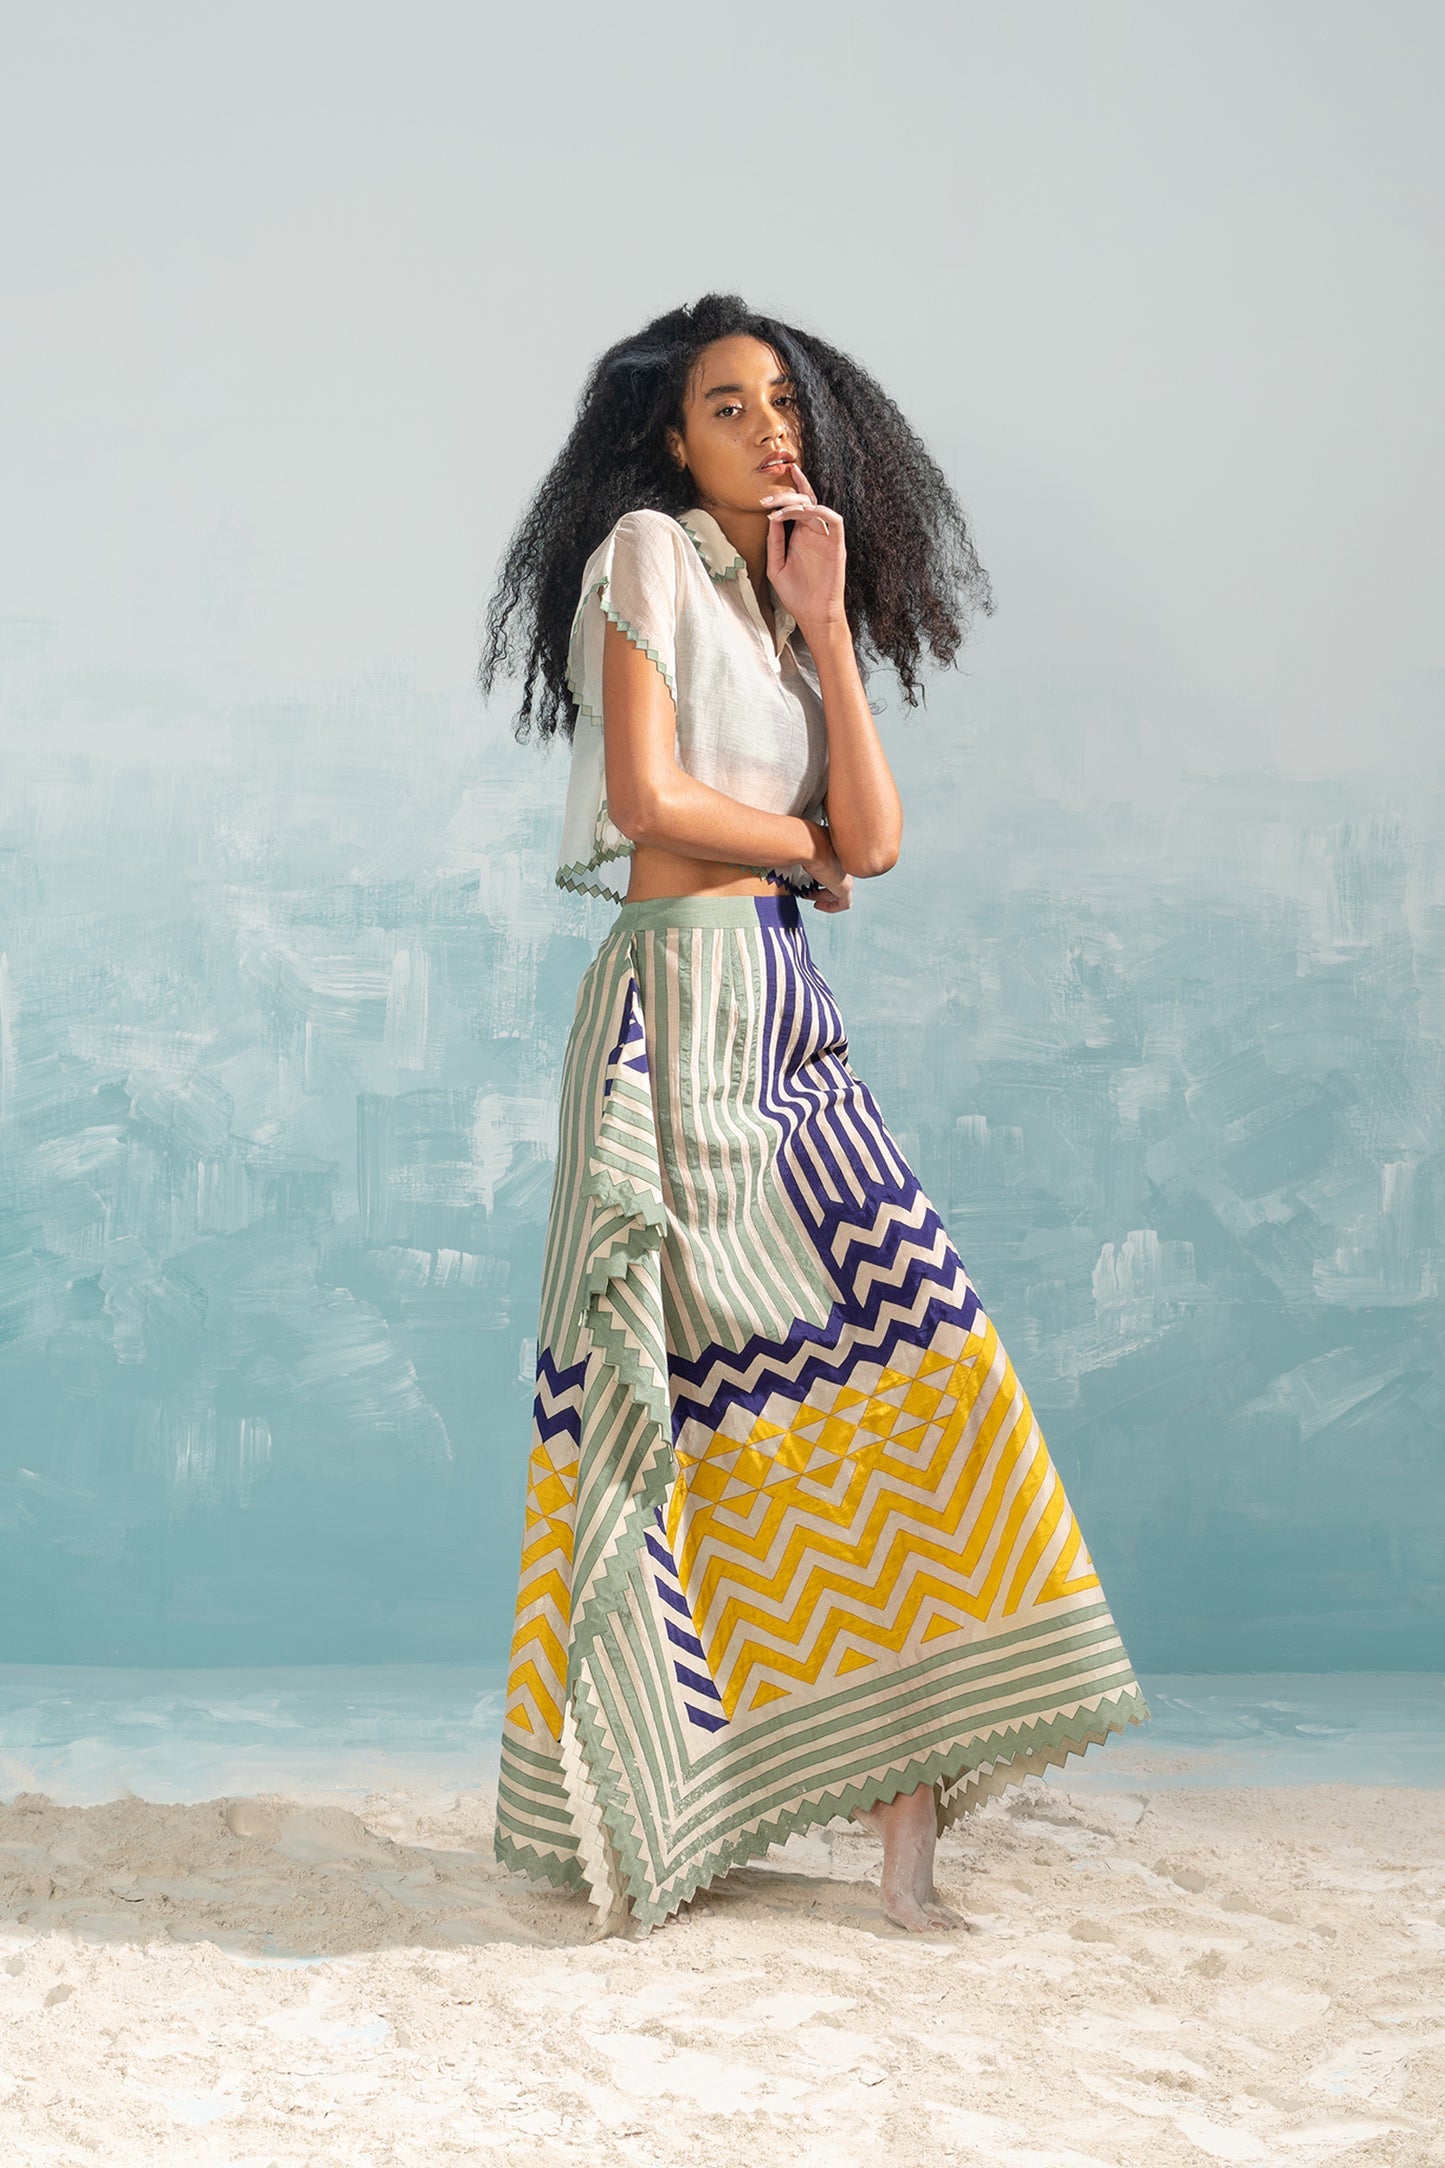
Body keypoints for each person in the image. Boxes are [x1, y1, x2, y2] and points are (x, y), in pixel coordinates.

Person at [479, 294, 1148, 1936]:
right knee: (691, 1420)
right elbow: (649, 805)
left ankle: (904, 1818)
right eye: (726, 406)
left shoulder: (774, 607)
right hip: (680, 1020)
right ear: (665, 436)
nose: (768, 430)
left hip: (788, 1014)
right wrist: (803, 853)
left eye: (781, 403)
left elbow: (877, 834)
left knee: (915, 1379)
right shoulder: (641, 551)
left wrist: (828, 628)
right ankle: (666, 1802)